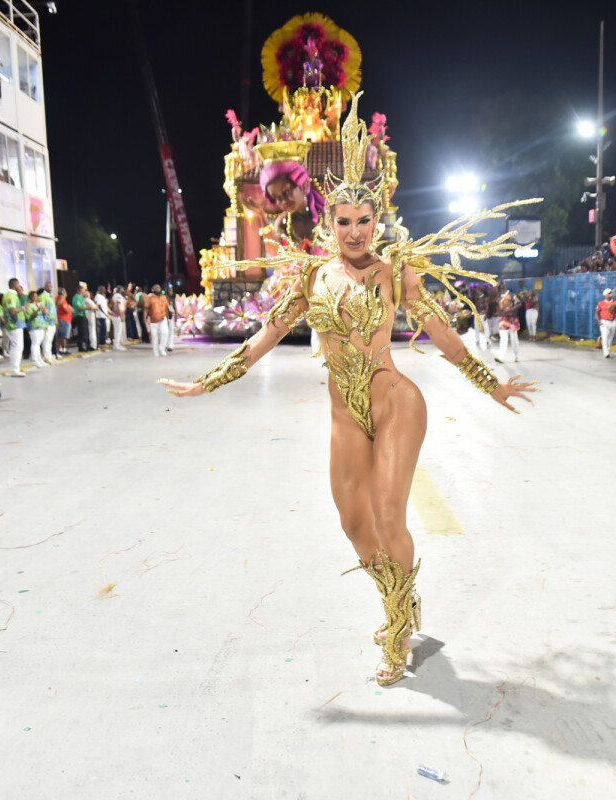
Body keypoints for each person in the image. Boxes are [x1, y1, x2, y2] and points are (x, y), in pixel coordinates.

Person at [160, 95, 537, 686]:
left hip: (394, 400)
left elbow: (439, 331)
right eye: (344, 221)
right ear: (327, 222)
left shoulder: (395, 271)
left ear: (376, 221)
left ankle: (396, 630)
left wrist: (490, 384)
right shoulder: (310, 276)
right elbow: (267, 334)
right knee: (353, 522)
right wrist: (209, 382)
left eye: (365, 220)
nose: (356, 231)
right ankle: (402, 597)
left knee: (389, 515)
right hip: (344, 413)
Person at [2, 278, 27, 378]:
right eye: (18, 284)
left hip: (17, 324)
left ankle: (15, 367)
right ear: (15, 285)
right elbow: (12, 311)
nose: (19, 287)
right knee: (17, 346)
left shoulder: (13, 295)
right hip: (14, 324)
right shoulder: (10, 296)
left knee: (16, 346)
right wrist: (23, 308)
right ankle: (14, 369)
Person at [494, 289, 521, 363]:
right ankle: (501, 357)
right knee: (503, 338)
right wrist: (500, 313)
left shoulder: (512, 295)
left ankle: (516, 356)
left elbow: (519, 304)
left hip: (513, 319)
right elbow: (499, 309)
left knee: (514, 338)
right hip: (503, 320)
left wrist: (509, 310)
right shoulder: (499, 298)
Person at [25, 290, 48, 368]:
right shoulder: (29, 306)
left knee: (39, 343)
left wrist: (43, 310)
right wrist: (38, 310)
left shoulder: (40, 304)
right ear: (30, 297)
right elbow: (29, 316)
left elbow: (45, 313)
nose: (35, 297)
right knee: (35, 343)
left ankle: (39, 359)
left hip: (41, 325)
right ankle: (34, 359)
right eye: (33, 296)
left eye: (36, 296)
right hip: (33, 326)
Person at [145, 284, 170, 357]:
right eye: (156, 288)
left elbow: (167, 308)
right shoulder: (150, 297)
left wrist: (168, 318)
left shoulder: (164, 297)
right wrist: (144, 317)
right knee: (154, 336)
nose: (157, 289)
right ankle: (155, 351)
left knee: (165, 333)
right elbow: (146, 308)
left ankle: (162, 349)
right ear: (153, 289)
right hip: (153, 320)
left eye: (158, 287)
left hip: (163, 318)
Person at [596, 288, 616, 358]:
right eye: (609, 293)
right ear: (605, 295)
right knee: (605, 336)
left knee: (610, 337)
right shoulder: (601, 303)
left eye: (611, 293)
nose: (611, 294)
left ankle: (608, 350)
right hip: (604, 321)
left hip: (612, 321)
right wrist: (598, 320)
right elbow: (597, 312)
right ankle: (606, 352)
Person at [40, 281, 57, 364]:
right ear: (45, 287)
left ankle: (49, 355)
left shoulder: (51, 297)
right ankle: (46, 356)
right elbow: (41, 307)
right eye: (48, 286)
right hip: (47, 321)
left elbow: (53, 309)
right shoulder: (43, 296)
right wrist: (46, 317)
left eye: (51, 286)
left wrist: (56, 321)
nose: (50, 288)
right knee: (46, 340)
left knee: (50, 340)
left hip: (52, 321)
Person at [55, 287, 73, 356]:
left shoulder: (57, 298)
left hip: (60, 319)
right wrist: (71, 310)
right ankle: (64, 350)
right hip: (64, 320)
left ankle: (60, 349)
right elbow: (66, 310)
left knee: (60, 336)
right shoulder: (61, 299)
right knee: (64, 336)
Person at [110, 286, 127, 351]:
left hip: (115, 314)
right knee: (118, 330)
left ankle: (116, 344)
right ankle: (117, 345)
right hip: (117, 315)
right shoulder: (118, 296)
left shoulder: (115, 295)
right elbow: (118, 305)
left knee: (117, 330)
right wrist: (121, 315)